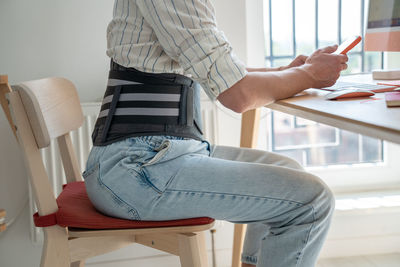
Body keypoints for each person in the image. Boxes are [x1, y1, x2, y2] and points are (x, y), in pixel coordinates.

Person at [83, 1, 348, 267]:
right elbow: (239, 94)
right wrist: (310, 74)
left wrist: (288, 73)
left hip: (157, 154)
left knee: (288, 170)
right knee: (312, 201)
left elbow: (225, 74)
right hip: (135, 168)